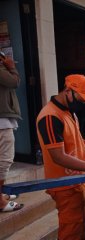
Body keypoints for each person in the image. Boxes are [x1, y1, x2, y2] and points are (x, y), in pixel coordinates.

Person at [36, 74, 85, 240]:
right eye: (81, 100)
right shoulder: (50, 116)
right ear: (67, 91)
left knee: (80, 224)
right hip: (64, 185)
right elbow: (58, 156)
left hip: (78, 180)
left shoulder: (69, 112)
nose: (83, 104)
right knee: (71, 230)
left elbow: (71, 140)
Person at [0, 53, 24, 212]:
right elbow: (13, 81)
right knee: (4, 160)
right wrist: (11, 67)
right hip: (1, 121)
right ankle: (0, 202)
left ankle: (1, 194)